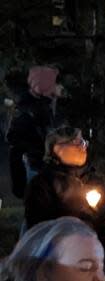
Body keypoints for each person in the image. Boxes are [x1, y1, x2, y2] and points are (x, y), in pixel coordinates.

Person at [24, 126, 105, 260]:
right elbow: (39, 228)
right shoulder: (43, 184)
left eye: (83, 142)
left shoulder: (94, 180)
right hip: (61, 263)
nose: (83, 147)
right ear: (56, 148)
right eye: (76, 142)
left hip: (98, 259)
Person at [6, 65, 62, 198]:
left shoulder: (43, 105)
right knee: (37, 205)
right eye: (52, 83)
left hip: (40, 165)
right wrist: (37, 150)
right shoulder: (28, 109)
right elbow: (13, 138)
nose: (55, 87)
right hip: (33, 166)